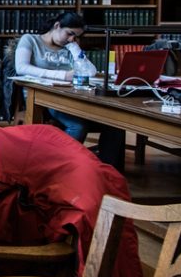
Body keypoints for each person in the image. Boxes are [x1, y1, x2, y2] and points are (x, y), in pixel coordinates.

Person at [14, 12, 125, 168]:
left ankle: (106, 170)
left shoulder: (69, 47)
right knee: (77, 126)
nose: (72, 38)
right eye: (69, 33)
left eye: (76, 36)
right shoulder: (30, 40)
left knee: (115, 124)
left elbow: (90, 72)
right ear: (57, 26)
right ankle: (60, 165)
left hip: (72, 97)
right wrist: (62, 75)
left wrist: (74, 47)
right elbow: (21, 68)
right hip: (43, 98)